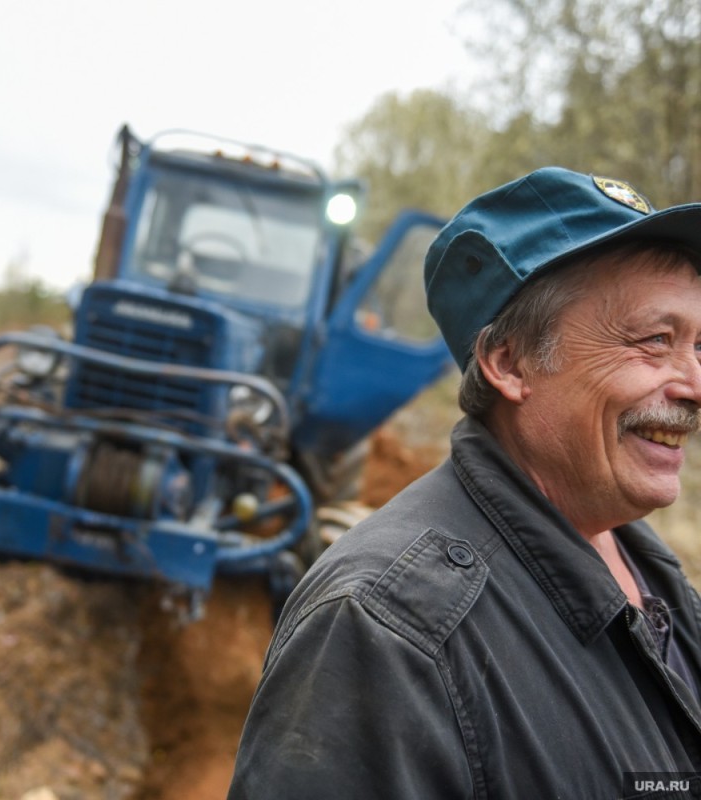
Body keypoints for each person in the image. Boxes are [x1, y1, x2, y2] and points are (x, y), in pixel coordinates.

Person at [227, 167, 701, 799]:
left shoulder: (652, 572)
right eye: (654, 341)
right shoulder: (385, 630)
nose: (694, 385)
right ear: (509, 362)